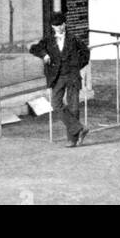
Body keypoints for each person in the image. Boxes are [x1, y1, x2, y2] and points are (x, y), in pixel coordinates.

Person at [30, 11, 91, 148]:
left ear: (65, 24)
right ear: (52, 27)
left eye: (60, 25)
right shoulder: (48, 40)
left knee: (73, 107)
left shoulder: (73, 39)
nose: (58, 28)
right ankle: (80, 128)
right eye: (55, 26)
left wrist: (76, 66)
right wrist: (44, 55)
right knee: (56, 104)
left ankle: (72, 140)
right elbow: (33, 49)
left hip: (72, 77)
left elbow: (86, 53)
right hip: (57, 78)